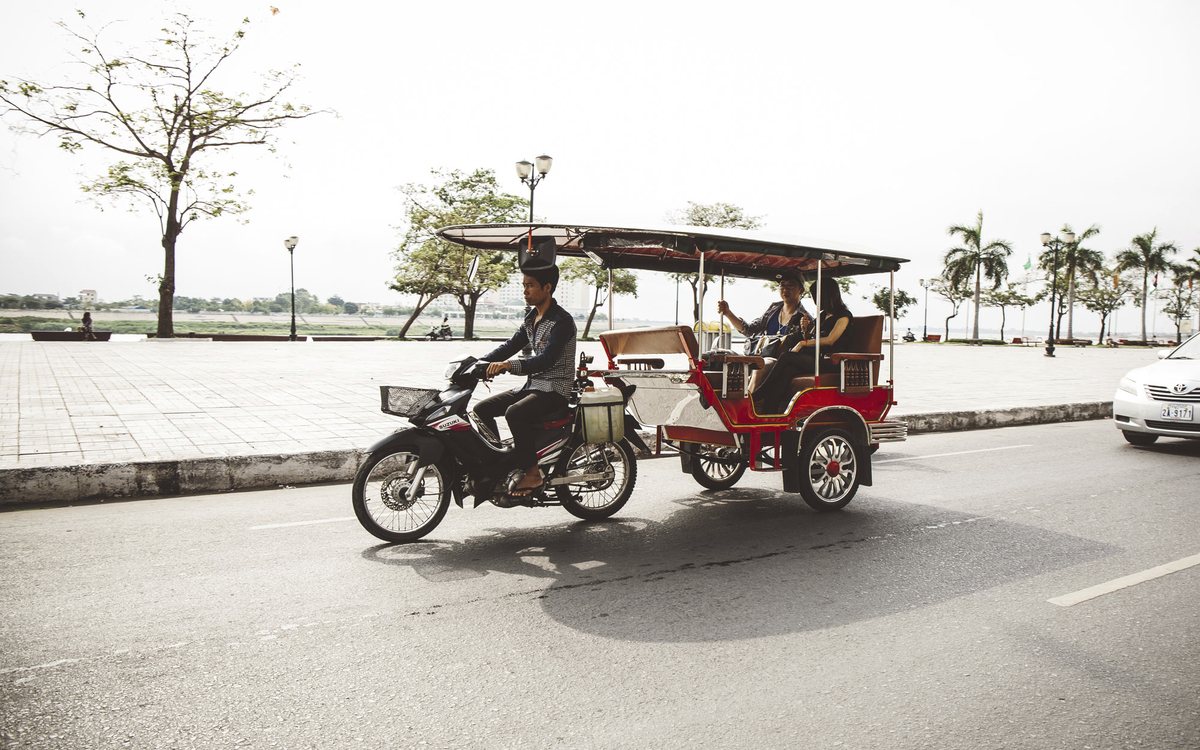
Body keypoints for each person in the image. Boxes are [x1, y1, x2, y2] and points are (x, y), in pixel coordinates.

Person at [473, 264, 577, 501]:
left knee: (515, 413)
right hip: (533, 386)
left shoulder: (561, 321)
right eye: (524, 286)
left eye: (530, 286)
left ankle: (532, 474)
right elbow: (510, 345)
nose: (525, 291)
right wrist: (478, 363)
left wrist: (509, 366)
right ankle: (501, 462)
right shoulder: (531, 318)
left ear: (547, 287)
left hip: (555, 389)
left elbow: (547, 360)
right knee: (481, 409)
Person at [751, 279, 854, 414]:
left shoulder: (843, 316)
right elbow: (811, 337)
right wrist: (805, 330)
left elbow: (830, 340)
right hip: (815, 357)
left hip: (830, 361)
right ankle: (770, 410)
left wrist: (803, 343)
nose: (815, 300)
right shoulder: (822, 316)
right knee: (787, 371)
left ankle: (760, 393)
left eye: (816, 296)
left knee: (786, 357)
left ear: (826, 295)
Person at [716, 271, 813, 392]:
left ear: (801, 290)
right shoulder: (774, 309)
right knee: (725, 358)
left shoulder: (805, 318)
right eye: (782, 285)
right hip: (759, 354)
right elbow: (749, 330)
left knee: (760, 366)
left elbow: (806, 345)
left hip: (779, 361)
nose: (785, 289)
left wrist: (805, 331)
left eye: (791, 285)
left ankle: (749, 400)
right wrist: (727, 313)